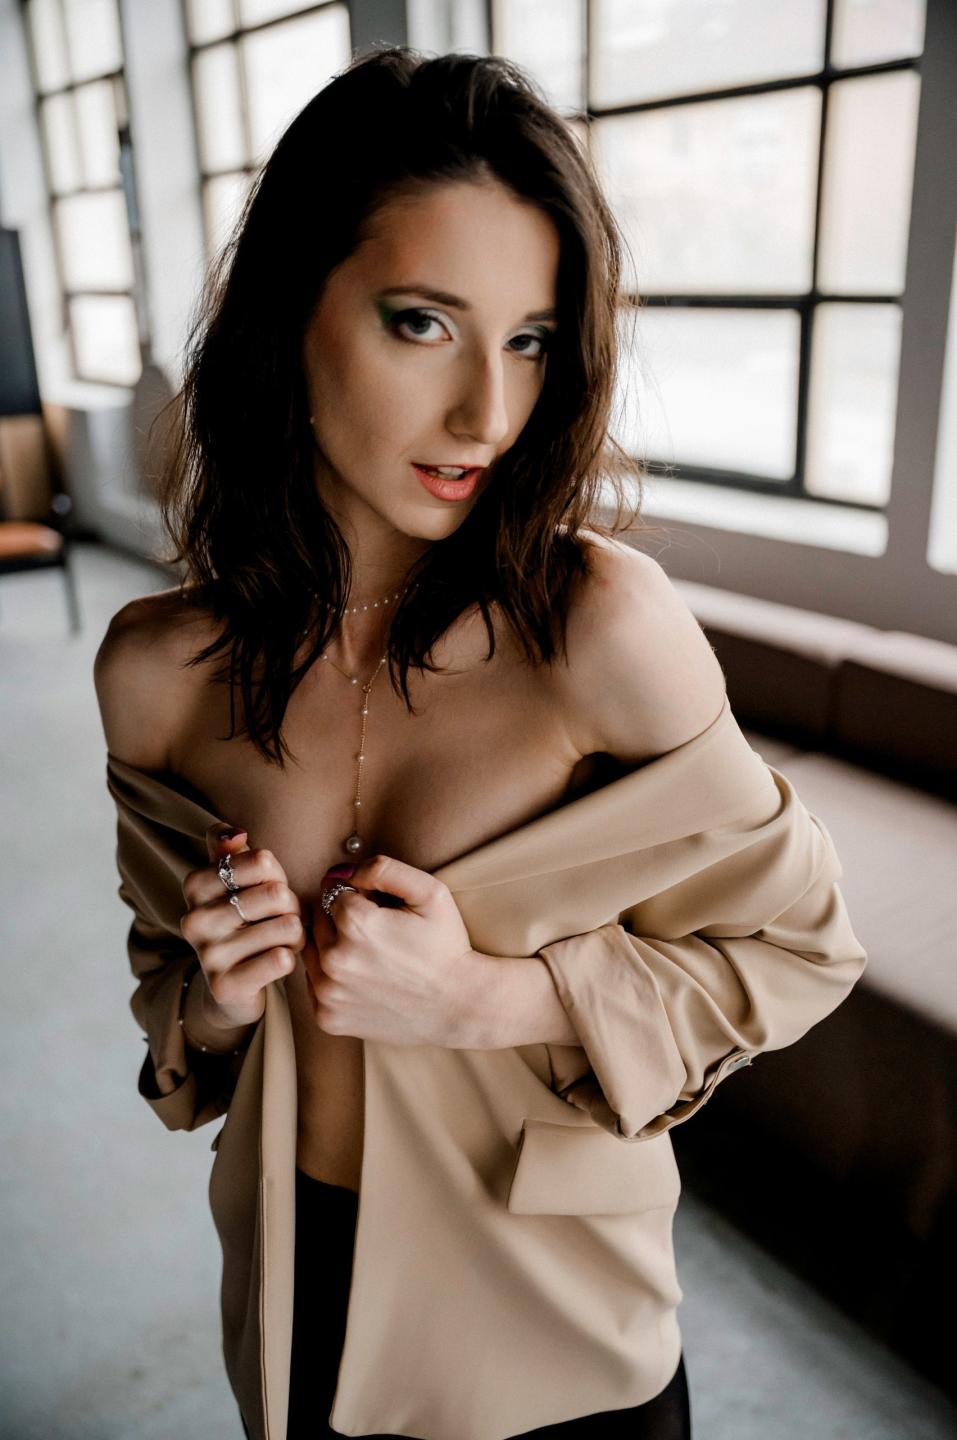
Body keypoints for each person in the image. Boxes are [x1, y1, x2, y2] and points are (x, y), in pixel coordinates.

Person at [94, 46, 867, 1440]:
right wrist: (217, 992)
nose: (489, 417)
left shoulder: (597, 630)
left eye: (530, 340)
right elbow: (175, 1010)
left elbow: (801, 951)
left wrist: (487, 1001)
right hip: (300, 1307)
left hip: (556, 1332)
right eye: (421, 324)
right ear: (291, 308)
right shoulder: (156, 676)